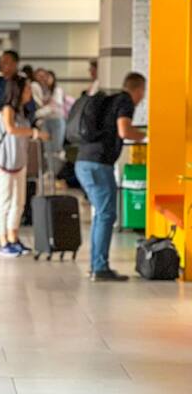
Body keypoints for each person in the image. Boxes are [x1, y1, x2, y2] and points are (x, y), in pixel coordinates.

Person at [75, 73, 147, 281]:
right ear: (139, 90)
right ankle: (99, 267)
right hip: (98, 165)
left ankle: (97, 265)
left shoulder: (110, 100)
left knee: (102, 215)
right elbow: (124, 130)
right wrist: (146, 136)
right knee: (106, 214)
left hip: (84, 161)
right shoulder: (125, 101)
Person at [0, 76, 49, 258]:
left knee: (19, 201)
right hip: (4, 162)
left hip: (19, 161)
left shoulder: (22, 111)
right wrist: (35, 133)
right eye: (27, 90)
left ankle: (13, 237)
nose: (30, 93)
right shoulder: (7, 109)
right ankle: (3, 242)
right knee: (5, 201)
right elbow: (10, 129)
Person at [33, 70, 67, 179]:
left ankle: (58, 172)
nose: (46, 80)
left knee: (56, 148)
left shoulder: (57, 90)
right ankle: (51, 171)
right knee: (47, 148)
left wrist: (37, 114)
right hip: (46, 121)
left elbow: (53, 108)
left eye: (48, 77)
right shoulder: (45, 91)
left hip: (57, 121)